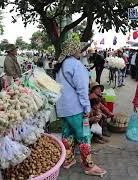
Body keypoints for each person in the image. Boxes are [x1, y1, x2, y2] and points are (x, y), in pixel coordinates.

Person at [54, 39, 106, 176]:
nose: (81, 51)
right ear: (73, 51)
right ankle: (88, 166)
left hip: (63, 108)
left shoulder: (61, 64)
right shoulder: (76, 65)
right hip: (75, 108)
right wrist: (86, 107)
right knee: (84, 136)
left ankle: (68, 160)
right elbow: (82, 90)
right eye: (79, 49)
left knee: (67, 134)